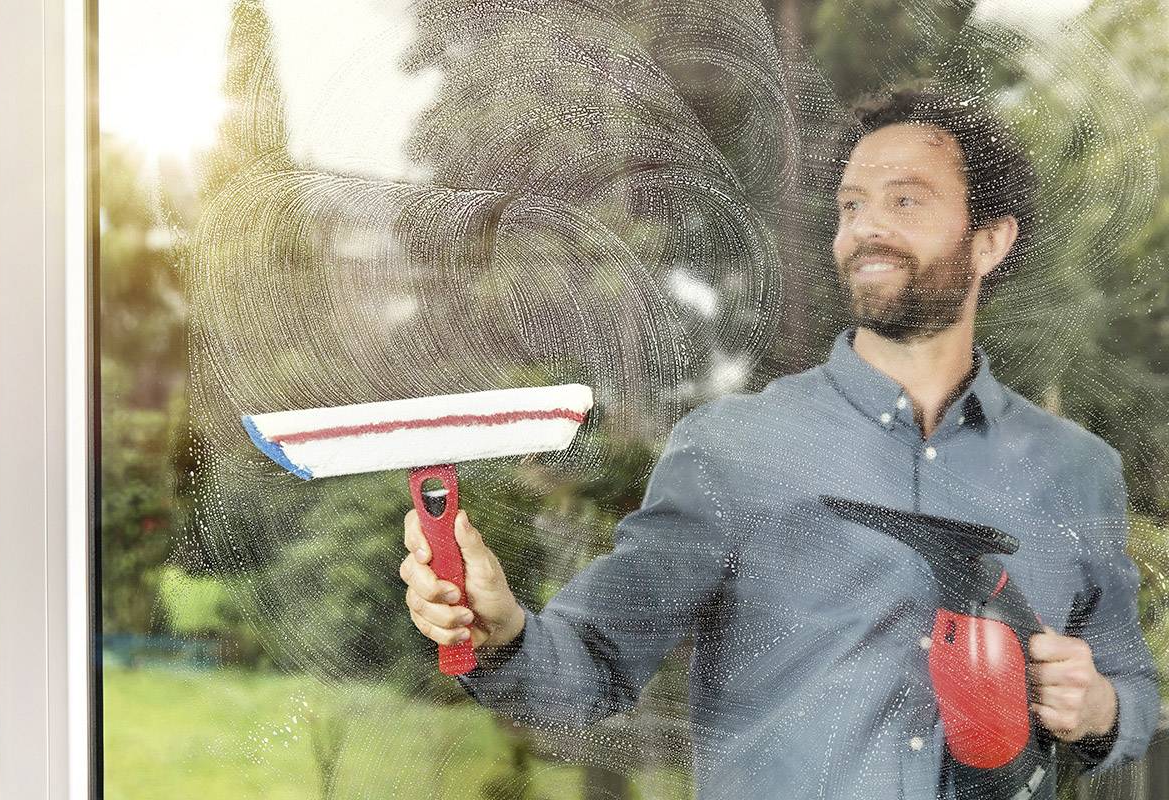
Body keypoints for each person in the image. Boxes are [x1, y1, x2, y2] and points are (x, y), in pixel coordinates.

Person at [397, 89, 1159, 798]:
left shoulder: (1077, 472)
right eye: (851, 205)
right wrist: (501, 635)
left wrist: (1098, 708)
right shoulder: (732, 452)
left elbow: (1132, 690)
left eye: (905, 201)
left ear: (989, 241)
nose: (866, 228)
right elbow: (593, 664)